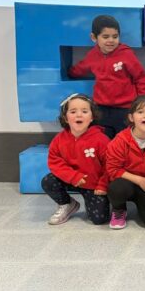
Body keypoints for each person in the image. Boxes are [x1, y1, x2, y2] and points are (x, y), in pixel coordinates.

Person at [68, 15, 145, 139]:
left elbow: (141, 78)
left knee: (124, 141)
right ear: (94, 37)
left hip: (125, 109)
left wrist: (143, 102)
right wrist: (71, 72)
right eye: (105, 37)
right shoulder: (93, 55)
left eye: (115, 36)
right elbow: (81, 68)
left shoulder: (126, 55)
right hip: (101, 109)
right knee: (103, 140)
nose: (111, 40)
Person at [41, 93, 110, 225]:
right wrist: (73, 176)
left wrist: (102, 185)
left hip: (94, 185)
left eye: (84, 111)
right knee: (48, 181)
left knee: (99, 219)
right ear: (65, 118)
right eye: (73, 112)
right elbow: (54, 161)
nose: (79, 115)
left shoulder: (101, 140)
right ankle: (67, 204)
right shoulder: (59, 139)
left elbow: (110, 165)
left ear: (92, 117)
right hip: (70, 180)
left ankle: (104, 202)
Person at [105, 96, 145, 230]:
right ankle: (119, 209)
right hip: (127, 182)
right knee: (116, 188)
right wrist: (139, 180)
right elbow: (112, 169)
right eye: (140, 112)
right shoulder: (120, 140)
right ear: (131, 117)